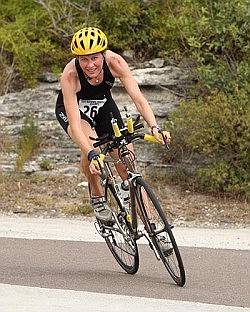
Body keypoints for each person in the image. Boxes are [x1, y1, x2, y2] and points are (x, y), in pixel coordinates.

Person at [55, 26, 170, 222]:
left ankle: (153, 228)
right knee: (91, 147)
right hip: (75, 111)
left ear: (103, 54)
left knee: (129, 164)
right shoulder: (70, 75)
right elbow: (75, 126)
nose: (90, 64)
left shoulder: (115, 62)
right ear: (78, 59)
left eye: (94, 58)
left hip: (102, 105)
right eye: (84, 59)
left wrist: (155, 127)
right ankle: (98, 197)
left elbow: (139, 99)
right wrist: (92, 154)